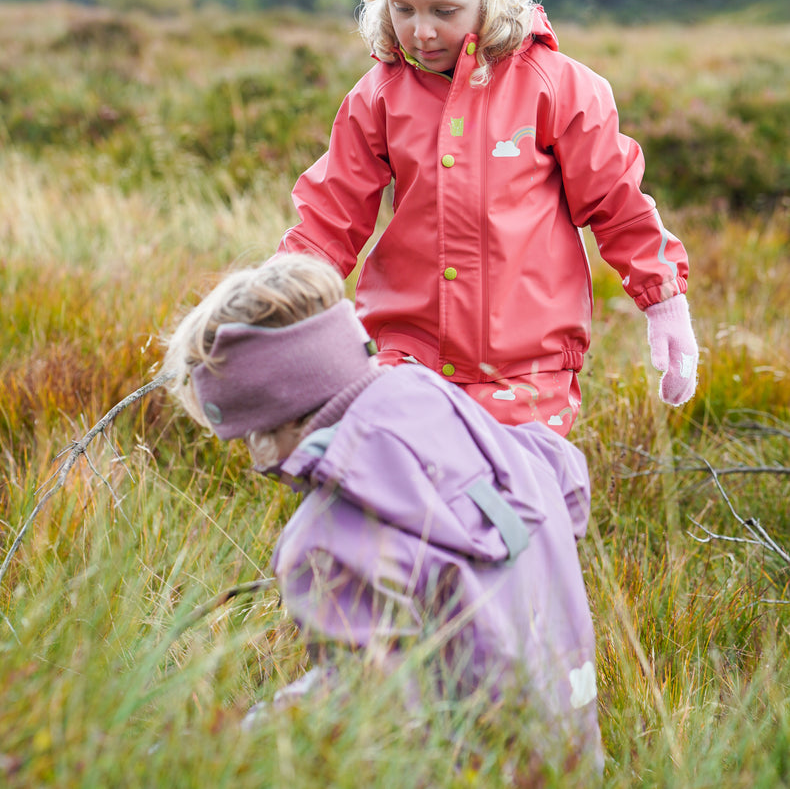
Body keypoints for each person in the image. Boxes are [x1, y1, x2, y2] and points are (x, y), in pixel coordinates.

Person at [275, 0, 698, 435]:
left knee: (511, 512)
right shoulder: (376, 96)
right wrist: (277, 301)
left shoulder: (559, 87)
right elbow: (330, 217)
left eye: (444, 11)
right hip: (405, 357)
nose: (420, 31)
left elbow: (617, 205)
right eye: (402, 8)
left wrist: (663, 301)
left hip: (529, 369)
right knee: (407, 508)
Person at [162, 253, 603, 774]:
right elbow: (566, 479)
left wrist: (206, 754)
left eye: (247, 440)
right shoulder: (467, 421)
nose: (256, 461)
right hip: (569, 764)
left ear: (270, 420)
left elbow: (362, 708)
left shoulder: (325, 540)